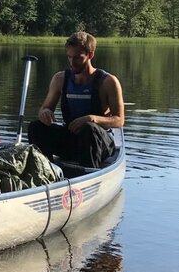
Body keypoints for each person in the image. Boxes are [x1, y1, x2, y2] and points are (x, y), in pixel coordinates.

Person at [27, 31, 124, 169]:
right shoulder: (60, 79)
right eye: (69, 57)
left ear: (90, 55)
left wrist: (91, 118)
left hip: (99, 142)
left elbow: (119, 120)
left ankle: (89, 173)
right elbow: (45, 108)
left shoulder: (108, 82)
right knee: (35, 127)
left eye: (78, 58)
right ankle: (45, 170)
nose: (72, 63)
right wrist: (45, 113)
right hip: (72, 139)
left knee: (89, 129)